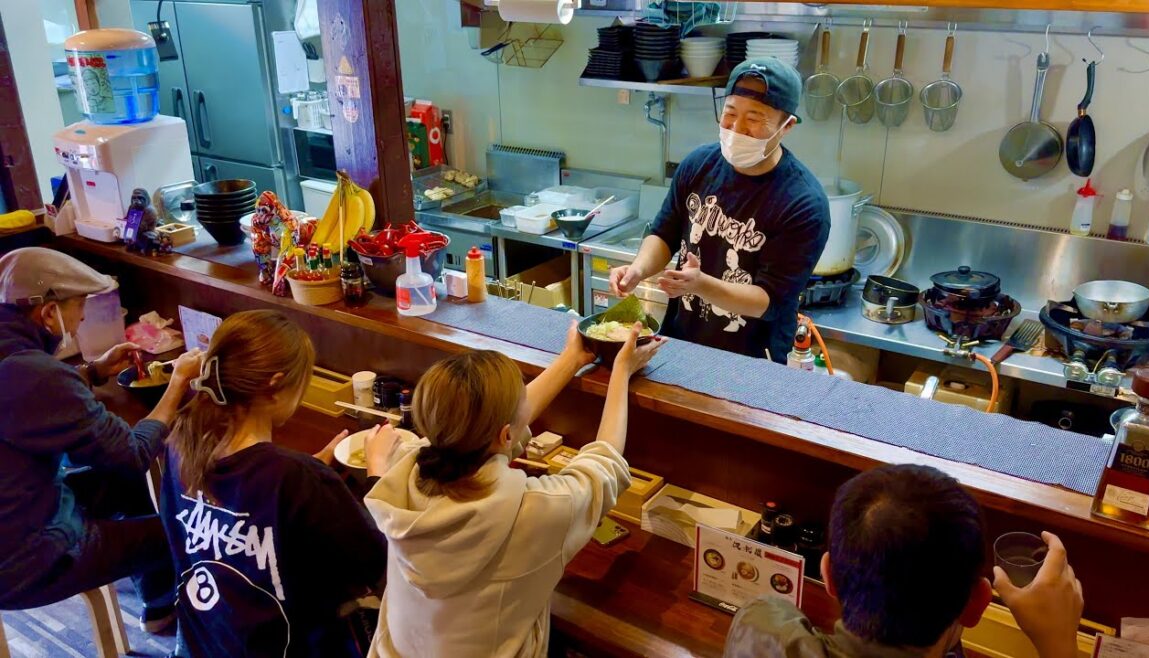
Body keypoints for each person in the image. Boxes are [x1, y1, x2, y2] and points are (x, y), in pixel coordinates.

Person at [363, 322, 664, 657]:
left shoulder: (402, 476)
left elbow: (489, 429)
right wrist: (621, 370)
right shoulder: (534, 512)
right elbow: (605, 463)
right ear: (506, 436)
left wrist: (571, 359)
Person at [160, 309, 387, 658]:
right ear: (275, 385)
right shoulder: (295, 479)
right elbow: (376, 563)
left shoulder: (180, 445)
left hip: (202, 645)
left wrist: (305, 472)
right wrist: (377, 474)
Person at [0, 247, 202, 632]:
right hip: (26, 559)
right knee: (176, 530)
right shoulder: (34, 375)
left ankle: (159, 605)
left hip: (16, 516)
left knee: (120, 481)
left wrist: (92, 371)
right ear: (48, 314)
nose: (76, 326)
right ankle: (174, 617)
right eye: (77, 315)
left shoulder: (14, 359)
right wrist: (177, 383)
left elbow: (25, 393)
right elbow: (136, 452)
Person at [722, 464, 1084, 658]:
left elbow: (764, 613)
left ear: (829, 575)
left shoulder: (758, 629)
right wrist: (1061, 647)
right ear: (977, 604)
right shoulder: (969, 610)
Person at [610, 57, 830, 360]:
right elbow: (664, 233)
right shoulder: (699, 164)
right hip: (680, 343)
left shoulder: (803, 204)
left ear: (786, 125)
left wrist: (701, 286)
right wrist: (639, 269)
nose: (737, 128)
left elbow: (770, 300)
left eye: (755, 119)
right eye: (730, 113)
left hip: (753, 361)